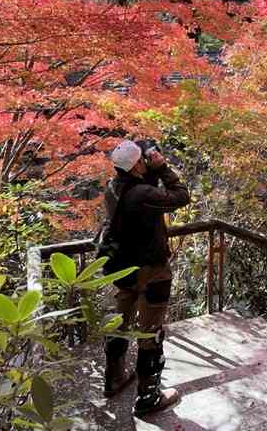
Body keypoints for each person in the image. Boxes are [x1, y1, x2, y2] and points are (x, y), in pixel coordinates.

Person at [101, 139, 190, 416]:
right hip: (151, 271)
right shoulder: (142, 194)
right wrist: (163, 168)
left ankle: (114, 378)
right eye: (143, 158)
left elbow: (139, 192)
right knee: (150, 331)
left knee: (119, 323)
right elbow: (180, 196)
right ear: (137, 164)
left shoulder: (113, 188)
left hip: (123, 268)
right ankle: (149, 396)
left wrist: (146, 170)